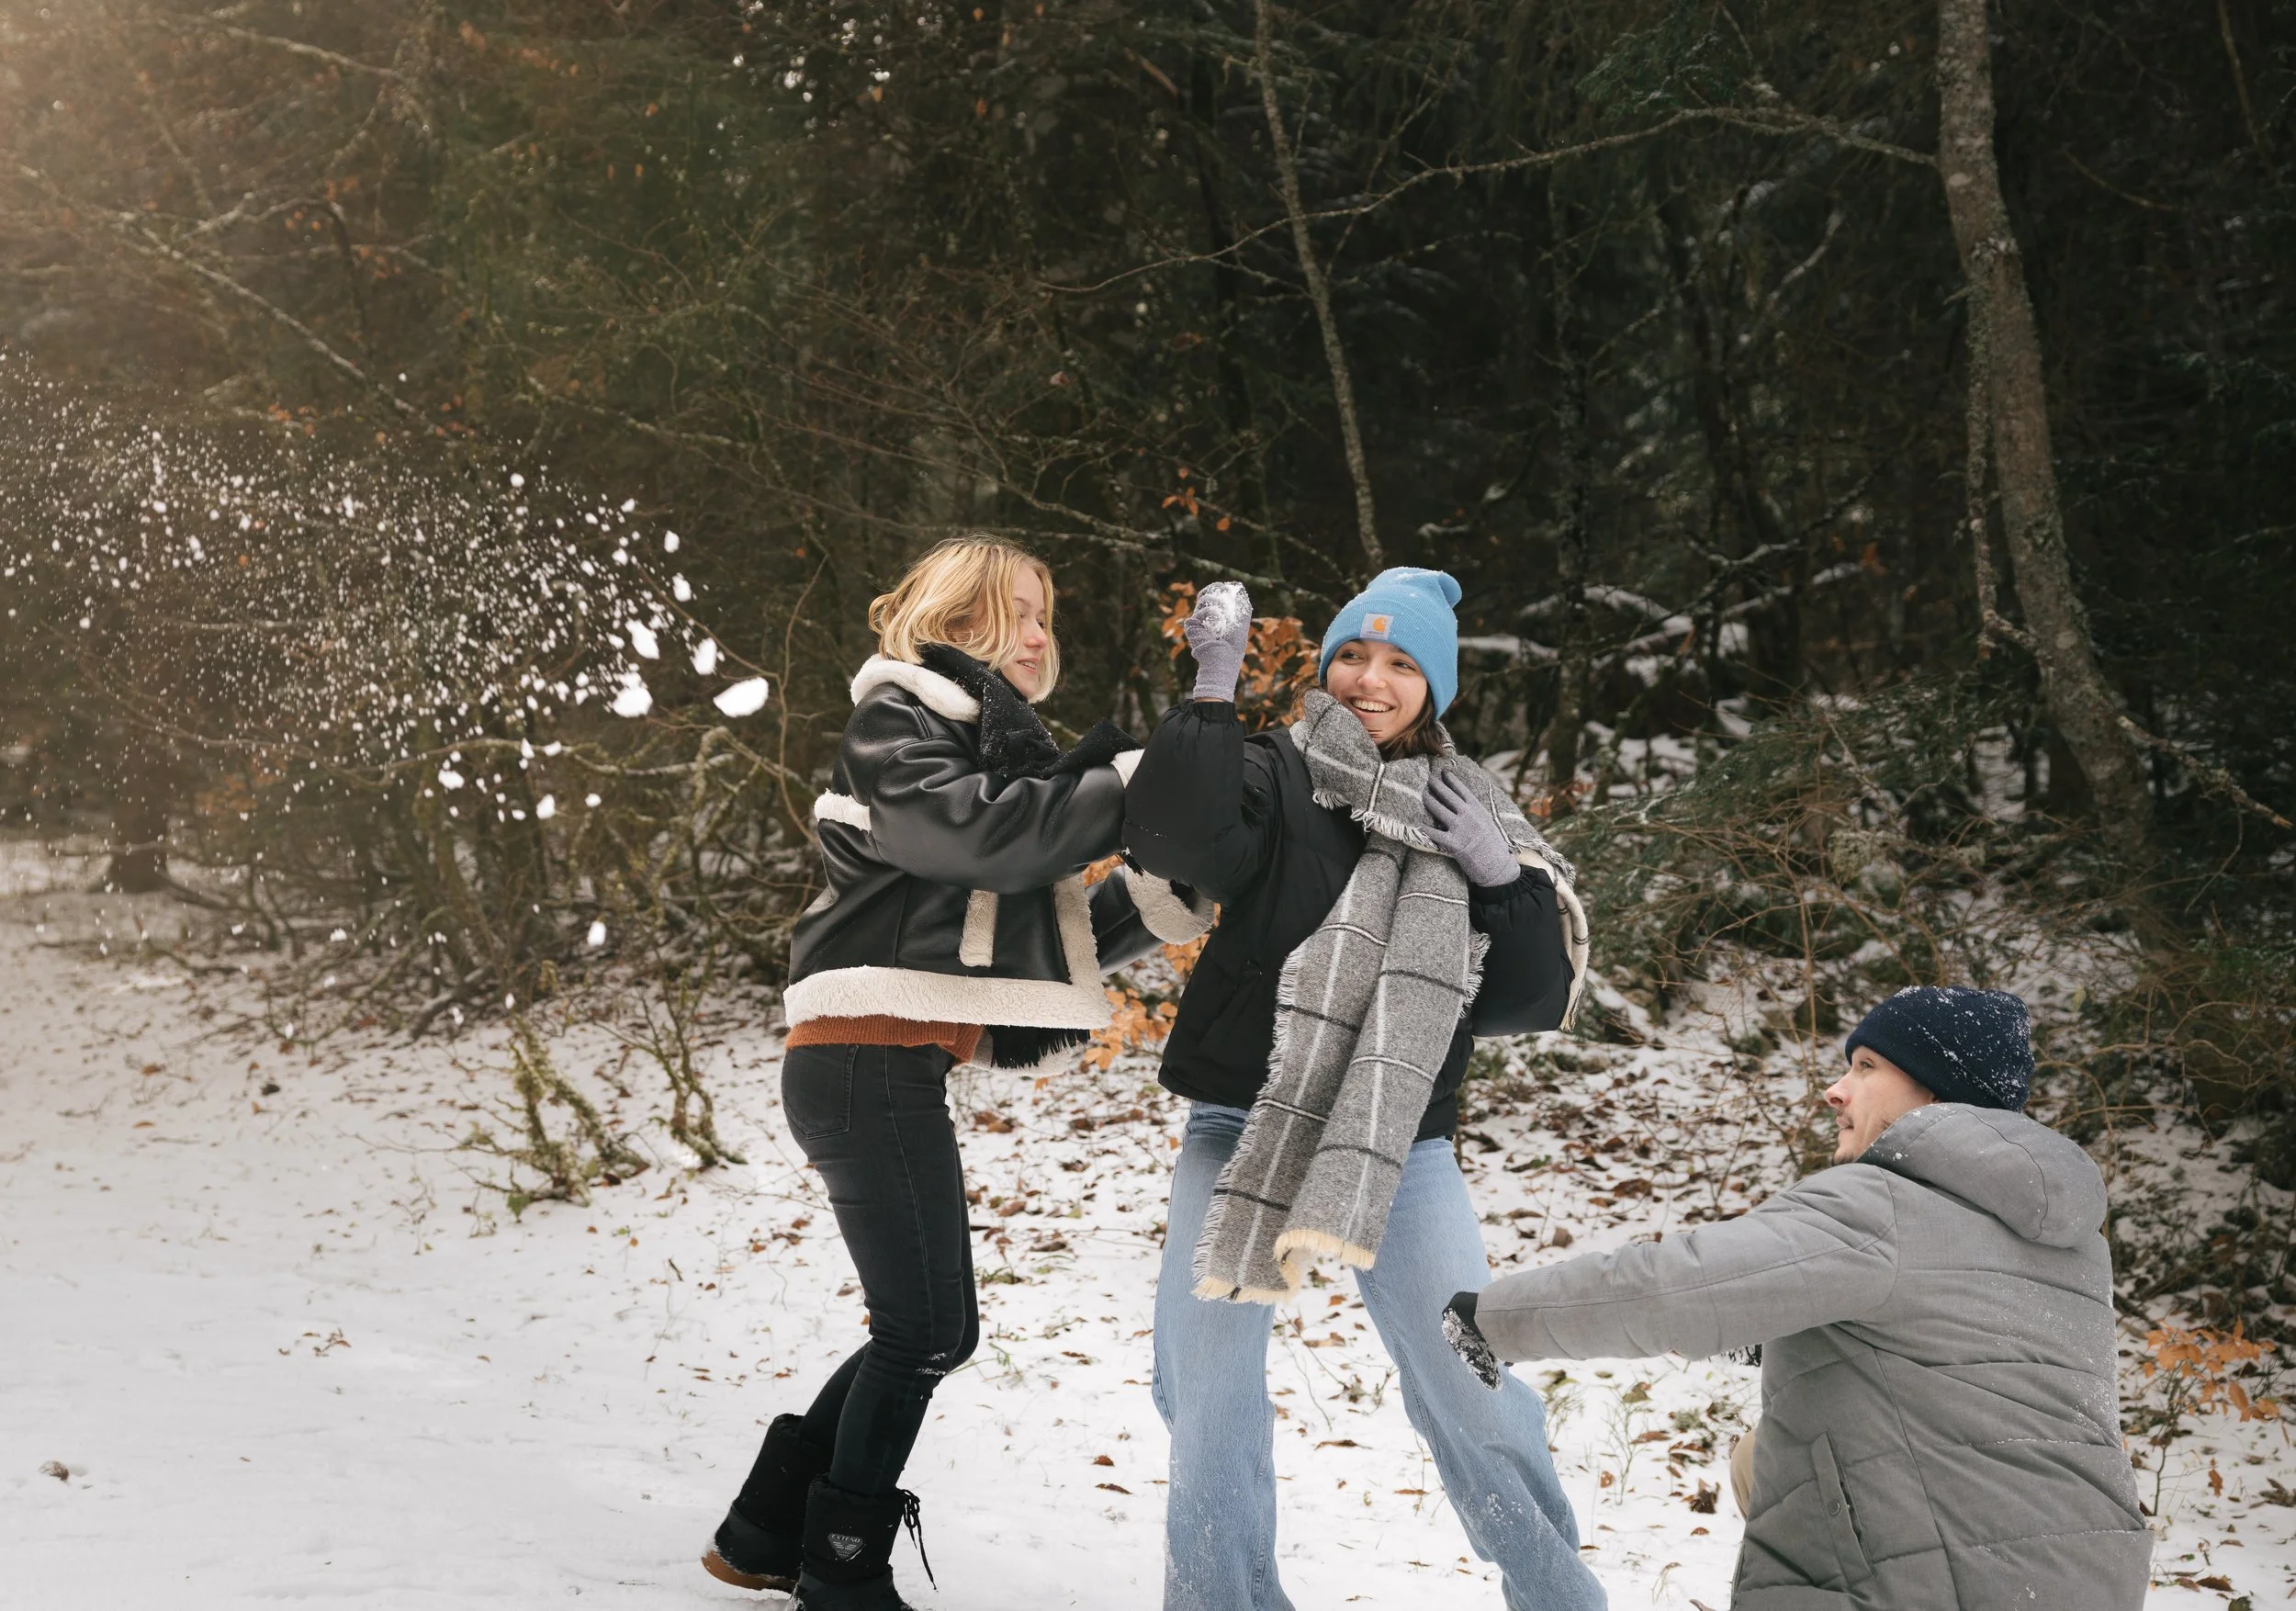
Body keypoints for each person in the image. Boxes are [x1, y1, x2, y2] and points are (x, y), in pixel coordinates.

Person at [702, 536, 1171, 1610]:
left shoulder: (980, 755)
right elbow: (977, 842)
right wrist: (1128, 786)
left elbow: (1028, 930)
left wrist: (1158, 888)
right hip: (858, 1058)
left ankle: (767, 1530)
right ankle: (842, 1567)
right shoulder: (897, 725)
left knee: (923, 1327)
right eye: (1018, 610)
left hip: (883, 1062)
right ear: (956, 620)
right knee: (929, 1331)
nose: (1042, 633)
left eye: (1047, 614)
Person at [1122, 569, 1605, 1611]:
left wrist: (1499, 881)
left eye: (1400, 663)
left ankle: (1562, 1597)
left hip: (1401, 1137)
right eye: (1352, 654)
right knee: (1203, 1393)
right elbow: (1175, 838)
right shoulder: (1271, 769)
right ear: (1323, 664)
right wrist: (1209, 697)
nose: (1369, 679)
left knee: (1468, 1384)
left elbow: (1526, 996)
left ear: (1434, 688)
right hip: (1238, 1120)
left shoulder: (1470, 805)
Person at [1444, 986, 2152, 1611]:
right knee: (1765, 1455)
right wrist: (1779, 1332)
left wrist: (1496, 1319)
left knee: (1773, 1460)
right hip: (2091, 1571)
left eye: (1867, 1067)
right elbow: (1960, 1367)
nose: (1835, 1090)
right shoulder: (2070, 1239)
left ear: (1935, 1094)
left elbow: (1679, 1284)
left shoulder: (1883, 1206)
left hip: (1942, 1584)